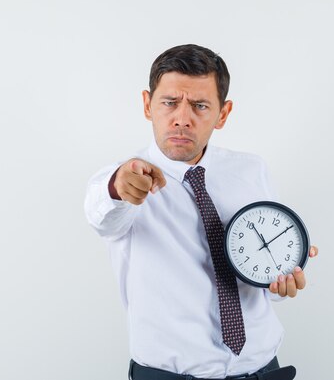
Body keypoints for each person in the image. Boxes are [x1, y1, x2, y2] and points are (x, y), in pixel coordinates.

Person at [84, 44, 318, 380]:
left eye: (200, 105)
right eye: (169, 103)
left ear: (223, 114)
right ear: (147, 105)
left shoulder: (251, 171)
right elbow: (101, 216)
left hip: (262, 369)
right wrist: (119, 185)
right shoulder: (126, 181)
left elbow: (263, 275)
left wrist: (281, 279)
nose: (182, 118)